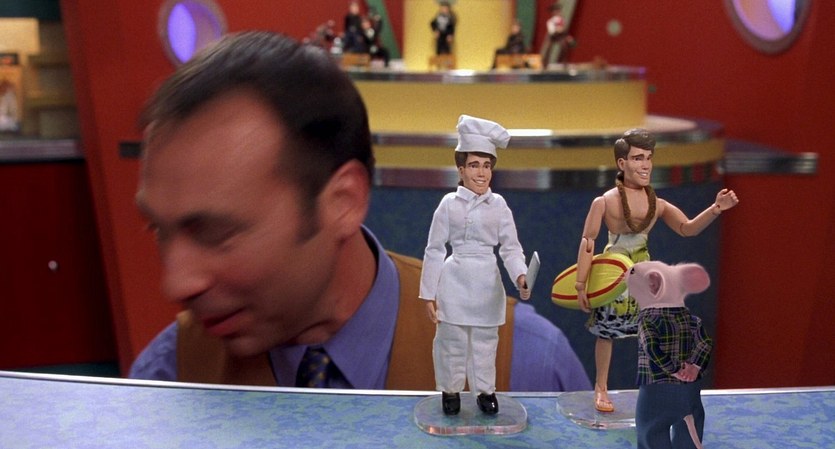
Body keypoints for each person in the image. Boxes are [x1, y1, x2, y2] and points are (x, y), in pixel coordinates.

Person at [129, 31, 590, 394]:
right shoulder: (166, 380)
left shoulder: (529, 370)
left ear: (342, 202)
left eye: (216, 232)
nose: (177, 284)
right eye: (160, 230)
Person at [574, 128, 738, 412]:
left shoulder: (657, 205)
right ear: (622, 163)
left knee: (656, 331)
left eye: (648, 158)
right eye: (638, 158)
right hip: (613, 273)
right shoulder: (605, 202)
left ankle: (657, 387)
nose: (645, 165)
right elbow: (588, 242)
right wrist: (581, 284)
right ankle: (601, 387)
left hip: (645, 276)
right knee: (606, 333)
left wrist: (715, 209)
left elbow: (687, 228)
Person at [420, 115, 532, 415]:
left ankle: (485, 391)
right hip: (454, 281)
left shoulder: (499, 205)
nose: (481, 173)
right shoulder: (448, 204)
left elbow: (510, 247)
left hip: (486, 283)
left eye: (486, 166)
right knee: (451, 341)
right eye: (473, 165)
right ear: (461, 170)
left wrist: (521, 275)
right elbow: (434, 249)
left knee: (485, 342)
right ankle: (451, 390)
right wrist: (428, 293)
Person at [540, 2, 574, 66]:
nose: (557, 12)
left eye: (558, 10)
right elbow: (551, 30)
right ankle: (545, 62)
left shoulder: (561, 19)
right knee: (548, 48)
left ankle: (564, 61)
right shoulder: (550, 21)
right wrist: (556, 30)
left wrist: (562, 31)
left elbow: (563, 28)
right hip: (553, 36)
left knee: (564, 46)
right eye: (555, 10)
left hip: (561, 36)